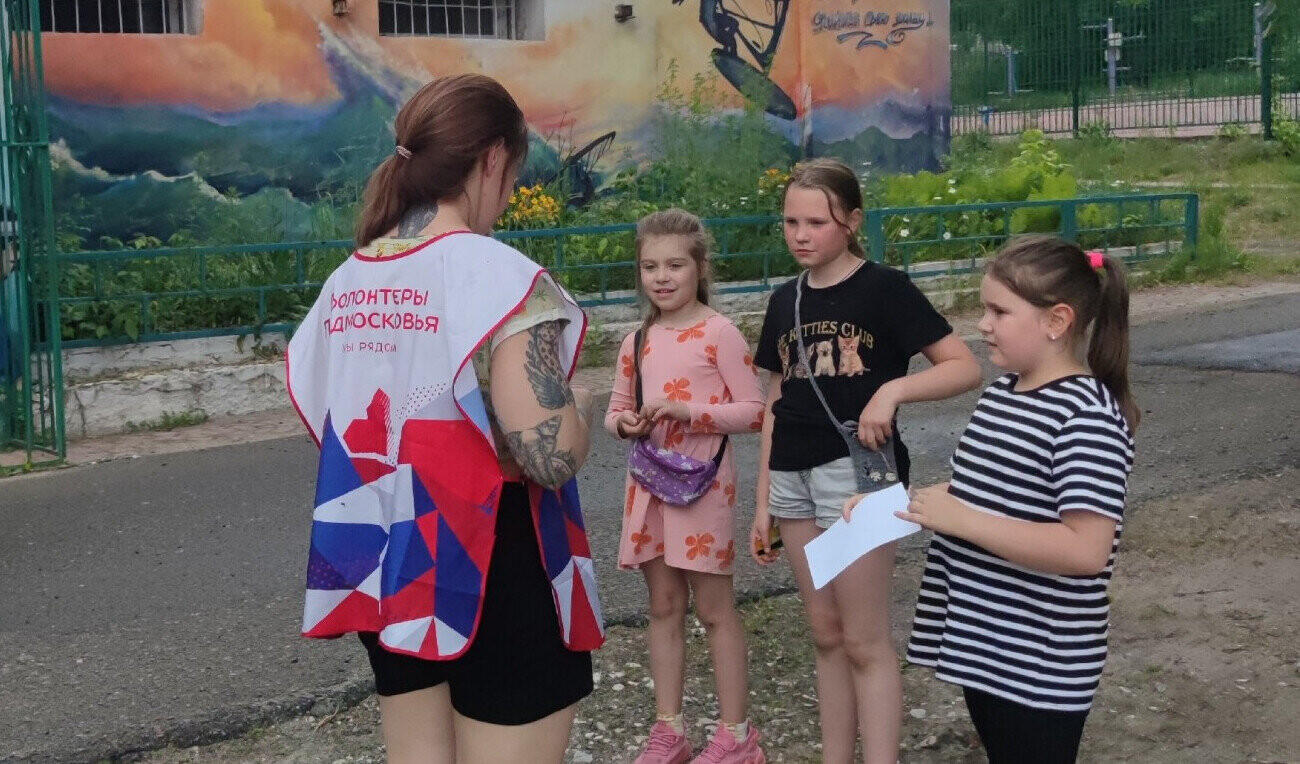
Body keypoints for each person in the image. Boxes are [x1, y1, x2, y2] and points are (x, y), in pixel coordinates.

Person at [285, 74, 604, 764]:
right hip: (491, 555)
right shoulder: (501, 277)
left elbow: (328, 414)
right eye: (514, 177)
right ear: (492, 159)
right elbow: (548, 456)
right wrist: (583, 408)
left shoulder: (349, 278)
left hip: (390, 551)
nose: (511, 195)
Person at [749, 159, 982, 764]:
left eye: (817, 223)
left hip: (861, 478)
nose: (801, 235)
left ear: (852, 221)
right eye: (791, 222)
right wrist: (762, 501)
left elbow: (964, 367)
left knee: (864, 639)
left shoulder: (886, 289)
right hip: (792, 480)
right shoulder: (784, 299)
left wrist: (892, 392)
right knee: (826, 635)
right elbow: (775, 402)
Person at [879, 236, 1138, 764]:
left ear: (1056, 321)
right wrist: (889, 508)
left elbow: (1086, 550)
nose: (983, 324)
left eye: (999, 311)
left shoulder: (1086, 417)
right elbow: (982, 495)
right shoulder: (1002, 394)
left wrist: (963, 520)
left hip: (1040, 666)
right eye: (985, 309)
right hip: (988, 648)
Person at [606, 209, 767, 763]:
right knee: (663, 605)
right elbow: (614, 411)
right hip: (650, 485)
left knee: (716, 610)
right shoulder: (636, 339)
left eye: (675, 265)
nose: (662, 276)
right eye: (650, 266)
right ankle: (669, 730)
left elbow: (755, 411)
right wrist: (626, 425)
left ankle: (737, 735)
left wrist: (687, 411)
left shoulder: (720, 333)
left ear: (700, 267)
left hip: (704, 488)